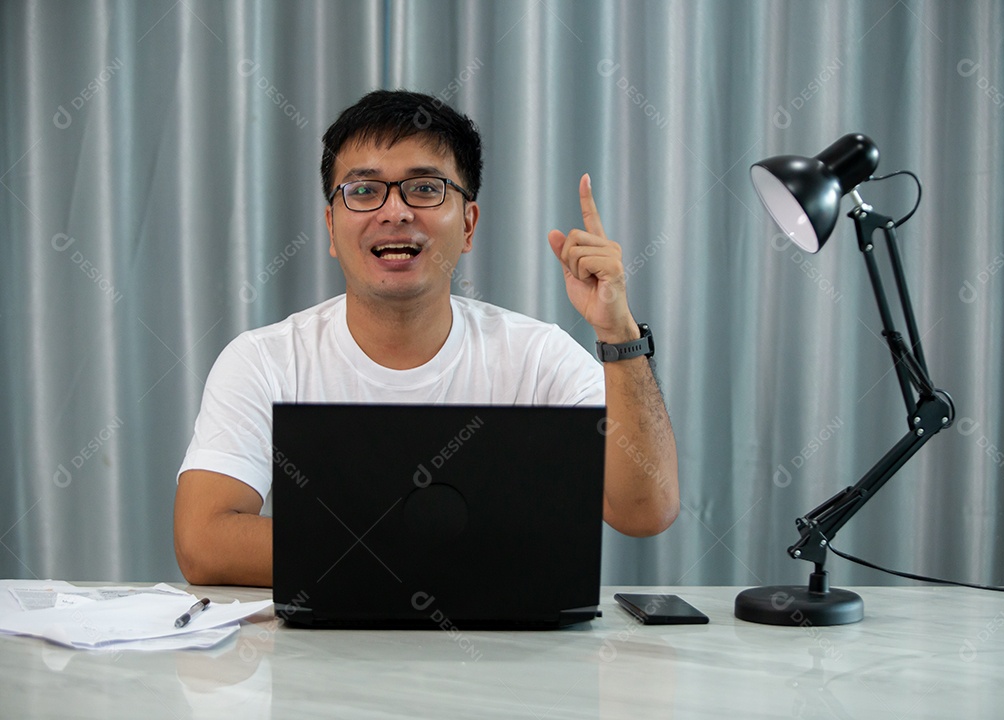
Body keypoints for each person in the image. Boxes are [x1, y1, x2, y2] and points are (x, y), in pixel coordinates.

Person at [174, 90, 679, 587]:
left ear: (468, 224)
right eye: (364, 191)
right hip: (318, 659)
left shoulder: (537, 356)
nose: (394, 212)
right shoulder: (264, 359)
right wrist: (431, 547)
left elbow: (645, 510)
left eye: (424, 188)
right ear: (330, 227)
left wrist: (619, 333)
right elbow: (204, 542)